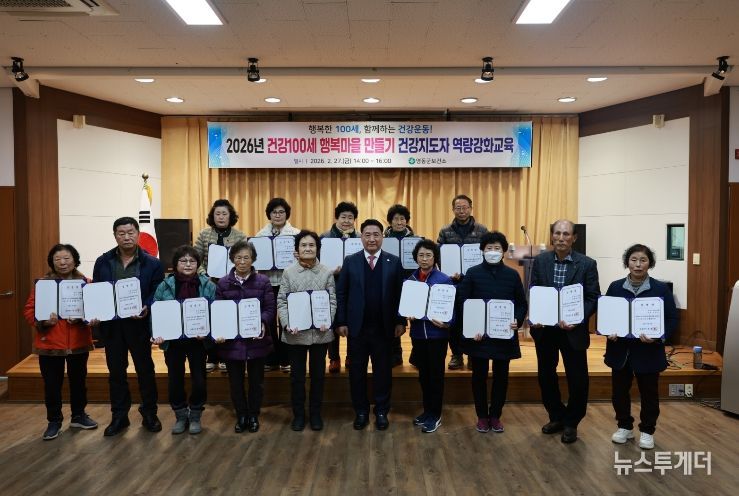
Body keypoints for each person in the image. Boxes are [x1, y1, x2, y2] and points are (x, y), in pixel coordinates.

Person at [92, 217, 165, 436]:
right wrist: (96, 312)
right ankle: (119, 416)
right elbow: (97, 291)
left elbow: (157, 291)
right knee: (116, 372)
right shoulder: (103, 261)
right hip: (112, 326)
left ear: (138, 234)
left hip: (138, 325)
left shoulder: (152, 263)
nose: (126, 237)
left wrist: (147, 306)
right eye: (121, 233)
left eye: (130, 232)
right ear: (115, 235)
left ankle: (149, 413)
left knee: (145, 370)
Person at [530, 219, 600, 444]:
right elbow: (535, 291)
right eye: (557, 233)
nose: (561, 238)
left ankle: (572, 422)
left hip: (573, 330)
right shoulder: (540, 261)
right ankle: (556, 416)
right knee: (546, 376)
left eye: (566, 234)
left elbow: (593, 297)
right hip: (546, 330)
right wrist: (536, 315)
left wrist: (576, 318)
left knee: (577, 378)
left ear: (574, 238)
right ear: (552, 236)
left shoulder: (587, 264)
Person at [605, 244, 678, 450]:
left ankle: (647, 430)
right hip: (620, 350)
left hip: (648, 351)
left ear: (650, 264)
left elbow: (672, 318)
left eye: (643, 260)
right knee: (619, 392)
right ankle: (624, 427)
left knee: (649, 394)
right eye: (634, 260)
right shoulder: (615, 287)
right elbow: (607, 314)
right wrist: (608, 330)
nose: (638, 264)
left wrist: (658, 337)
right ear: (627, 262)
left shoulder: (660, 289)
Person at [336, 219, 406, 431]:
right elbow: (341, 293)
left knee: (383, 371)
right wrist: (341, 321)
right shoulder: (351, 261)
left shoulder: (393, 261)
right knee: (356, 372)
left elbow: (400, 295)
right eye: (367, 235)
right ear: (361, 237)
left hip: (384, 328)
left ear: (382, 237)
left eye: (376, 234)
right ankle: (361, 411)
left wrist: (400, 321)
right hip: (357, 328)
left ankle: (382, 411)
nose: (372, 239)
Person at [23, 244, 97, 440]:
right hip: (50, 344)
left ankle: (79, 416)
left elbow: (94, 309)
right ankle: (54, 421)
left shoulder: (86, 283)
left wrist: (84, 318)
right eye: (58, 259)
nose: (63, 263)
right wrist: (44, 321)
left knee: (79, 382)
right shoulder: (43, 285)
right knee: (52, 385)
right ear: (52, 262)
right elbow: (29, 310)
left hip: (78, 342)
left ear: (75, 260)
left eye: (67, 258)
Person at [457, 232, 527, 434]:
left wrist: (517, 320)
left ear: (503, 251)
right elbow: (462, 302)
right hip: (479, 336)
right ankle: (481, 416)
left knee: (501, 377)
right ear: (482, 250)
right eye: (489, 248)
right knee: (478, 376)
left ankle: (495, 415)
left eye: (497, 248)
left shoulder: (512, 275)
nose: (493, 252)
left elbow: (521, 303)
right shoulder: (472, 273)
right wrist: (471, 328)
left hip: (503, 335)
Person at [151, 245, 217, 435]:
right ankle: (180, 415)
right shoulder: (164, 286)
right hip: (173, 343)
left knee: (199, 380)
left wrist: (208, 332)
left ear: (198, 264)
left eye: (192, 261)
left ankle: (195, 415)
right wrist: (157, 333)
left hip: (198, 342)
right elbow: (156, 312)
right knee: (175, 380)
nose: (188, 264)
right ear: (175, 264)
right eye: (183, 261)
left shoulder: (208, 285)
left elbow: (215, 313)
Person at [276, 230, 337, 431]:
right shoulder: (288, 272)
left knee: (318, 376)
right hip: (296, 334)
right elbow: (282, 301)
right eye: (303, 245)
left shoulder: (326, 272)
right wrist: (286, 324)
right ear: (297, 249)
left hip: (320, 333)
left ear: (317, 248)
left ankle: (316, 414)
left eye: (311, 245)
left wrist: (327, 320)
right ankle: (299, 415)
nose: (308, 248)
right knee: (297, 377)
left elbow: (332, 301)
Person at [215, 240, 275, 433]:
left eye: (246, 257)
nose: (242, 261)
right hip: (232, 342)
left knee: (257, 382)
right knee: (235, 382)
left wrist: (261, 323)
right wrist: (220, 331)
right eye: (238, 257)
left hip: (257, 340)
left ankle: (254, 415)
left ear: (253, 259)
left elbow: (270, 309)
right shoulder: (223, 283)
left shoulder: (263, 281)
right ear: (232, 259)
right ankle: (241, 415)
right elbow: (219, 311)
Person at [436, 194, 489, 370]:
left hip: (476, 283)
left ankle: (473, 354)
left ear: (471, 208)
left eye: (465, 207)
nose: (461, 211)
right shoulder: (445, 231)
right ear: (453, 210)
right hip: (454, 283)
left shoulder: (482, 230)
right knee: (455, 321)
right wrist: (449, 271)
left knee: (474, 317)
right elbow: (439, 254)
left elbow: (487, 252)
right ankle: (456, 354)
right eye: (458, 208)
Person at [405, 239, 453, 433]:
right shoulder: (410, 280)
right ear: (416, 258)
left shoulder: (444, 280)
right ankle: (427, 411)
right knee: (423, 376)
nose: (424, 259)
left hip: (437, 335)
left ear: (435, 258)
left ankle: (436, 415)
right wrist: (407, 313)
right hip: (418, 335)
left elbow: (452, 308)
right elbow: (405, 306)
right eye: (421, 255)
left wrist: (447, 323)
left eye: (428, 255)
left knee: (435, 376)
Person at [194, 199, 246, 372]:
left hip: (232, 284)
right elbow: (196, 259)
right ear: (213, 216)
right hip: (209, 284)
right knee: (210, 319)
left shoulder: (239, 236)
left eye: (224, 214)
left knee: (228, 318)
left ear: (230, 216)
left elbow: (244, 258)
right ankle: (212, 357)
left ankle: (226, 356)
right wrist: (204, 275)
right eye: (218, 214)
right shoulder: (204, 234)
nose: (221, 217)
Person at [255, 197, 300, 373]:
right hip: (267, 283)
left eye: (281, 212)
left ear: (287, 214)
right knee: (269, 321)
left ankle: (286, 358)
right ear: (269, 214)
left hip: (288, 283)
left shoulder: (296, 234)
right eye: (274, 212)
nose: (278, 215)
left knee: (286, 321)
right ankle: (271, 358)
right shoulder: (260, 235)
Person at [321, 201, 359, 373]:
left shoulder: (359, 238)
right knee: (333, 320)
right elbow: (317, 263)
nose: (346, 221)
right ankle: (334, 358)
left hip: (354, 286)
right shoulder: (324, 237)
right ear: (336, 217)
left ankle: (351, 356)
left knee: (353, 320)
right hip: (331, 285)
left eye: (350, 217)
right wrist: (330, 271)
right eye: (343, 217)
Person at [384, 203, 416, 367]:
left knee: (415, 319)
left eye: (402, 219)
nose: (399, 222)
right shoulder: (383, 241)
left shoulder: (415, 240)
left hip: (411, 285)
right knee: (392, 319)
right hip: (390, 286)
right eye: (395, 219)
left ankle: (417, 355)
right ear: (390, 222)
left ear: (407, 221)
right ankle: (395, 353)